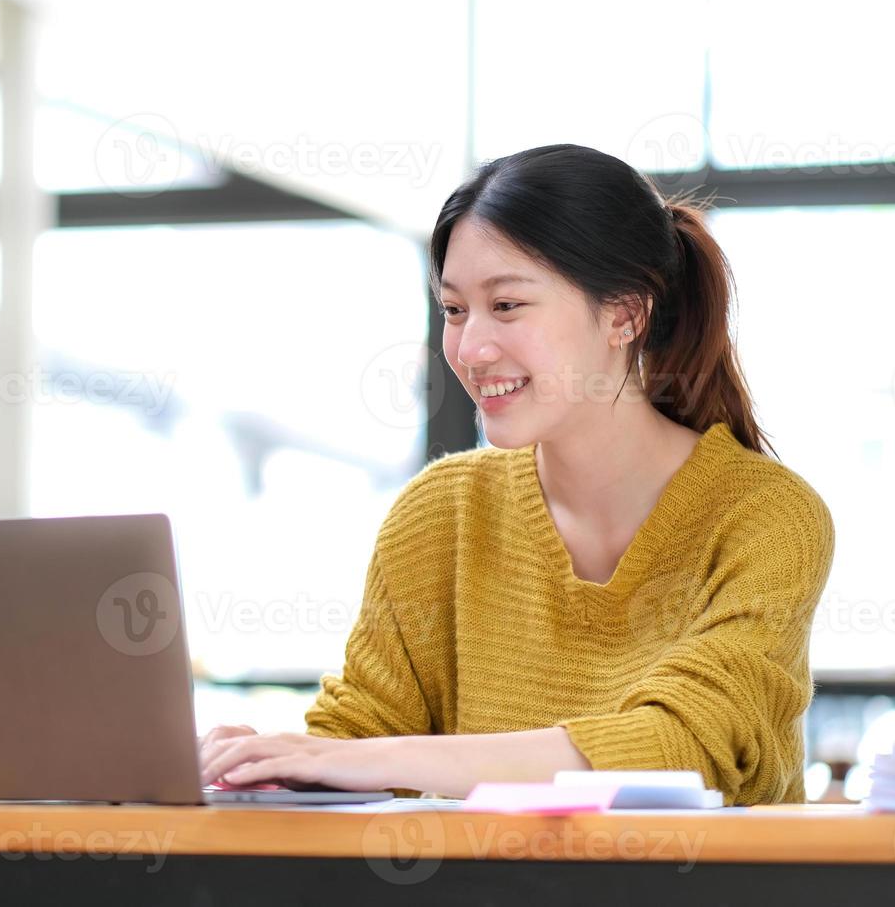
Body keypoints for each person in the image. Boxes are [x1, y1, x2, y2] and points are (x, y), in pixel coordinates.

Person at [197, 143, 835, 805]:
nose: (469, 348)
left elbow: (685, 748)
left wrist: (369, 759)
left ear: (624, 314)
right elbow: (359, 741)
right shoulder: (439, 514)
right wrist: (274, 766)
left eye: (506, 306)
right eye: (453, 310)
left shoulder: (766, 516)